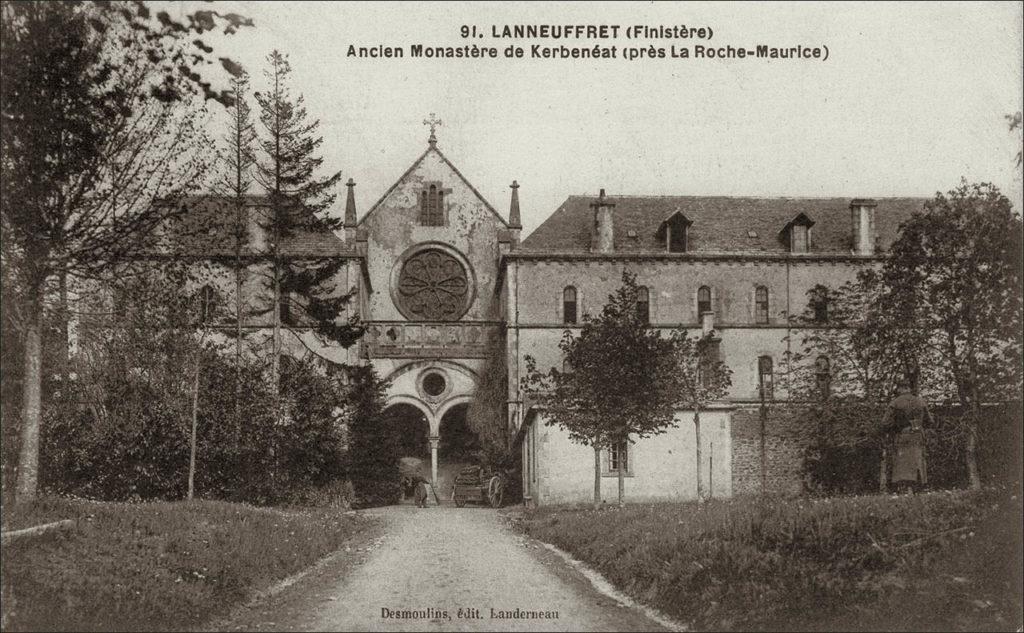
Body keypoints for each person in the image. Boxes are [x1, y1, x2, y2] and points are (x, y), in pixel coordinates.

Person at [880, 379, 933, 494]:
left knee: (903, 463)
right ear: (909, 388)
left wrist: (893, 429)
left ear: (900, 389)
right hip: (919, 435)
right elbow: (929, 421)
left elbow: (885, 423)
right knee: (918, 460)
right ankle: (920, 488)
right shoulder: (921, 402)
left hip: (903, 435)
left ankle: (904, 490)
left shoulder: (895, 403)